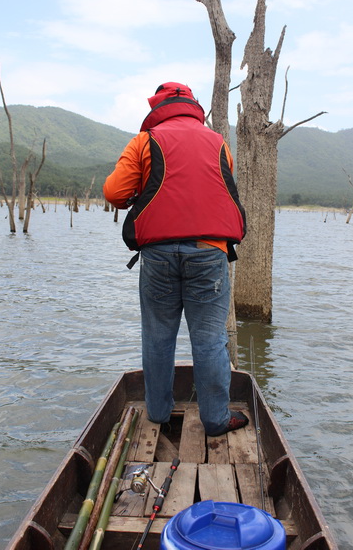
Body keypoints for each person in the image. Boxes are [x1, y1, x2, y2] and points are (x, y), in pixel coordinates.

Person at [103, 82, 248, 436]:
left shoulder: (145, 141)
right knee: (210, 340)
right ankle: (216, 419)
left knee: (157, 338)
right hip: (209, 253)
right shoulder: (218, 143)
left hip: (158, 255)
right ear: (193, 106)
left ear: (158, 106)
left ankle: (158, 412)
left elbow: (114, 192)